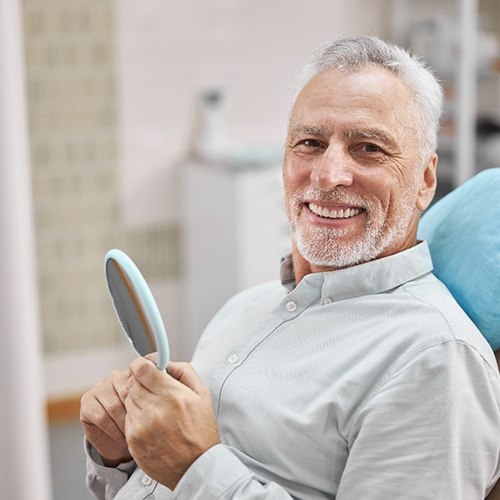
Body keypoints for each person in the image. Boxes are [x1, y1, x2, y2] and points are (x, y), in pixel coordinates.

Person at [80, 36, 500, 499]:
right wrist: (120, 458)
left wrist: (196, 468)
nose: (327, 174)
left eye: (368, 148)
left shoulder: (435, 359)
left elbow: (191, 473)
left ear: (424, 179)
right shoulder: (245, 308)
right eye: (310, 143)